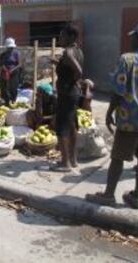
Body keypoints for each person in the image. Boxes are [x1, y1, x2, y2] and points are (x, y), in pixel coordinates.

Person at [86, 23, 138, 209]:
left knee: (117, 158)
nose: (130, 39)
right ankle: (136, 197)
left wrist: (109, 112)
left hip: (129, 119)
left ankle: (108, 196)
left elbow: (118, 91)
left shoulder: (126, 59)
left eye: (133, 36)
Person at [51, 24, 84, 172]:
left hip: (67, 94)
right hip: (73, 93)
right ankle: (73, 160)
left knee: (62, 128)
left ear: (71, 37)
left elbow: (78, 71)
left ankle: (65, 164)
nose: (60, 38)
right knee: (72, 126)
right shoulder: (78, 51)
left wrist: (70, 83)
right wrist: (58, 64)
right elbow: (71, 69)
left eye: (63, 36)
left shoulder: (68, 52)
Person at [0, 38, 21, 106]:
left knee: (13, 87)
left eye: (11, 48)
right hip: (5, 73)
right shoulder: (3, 55)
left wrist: (12, 70)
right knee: (4, 88)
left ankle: (13, 100)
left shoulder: (16, 54)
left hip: (14, 72)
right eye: (9, 48)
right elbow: (0, 64)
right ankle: (6, 101)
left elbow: (19, 64)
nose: (10, 49)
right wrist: (5, 70)